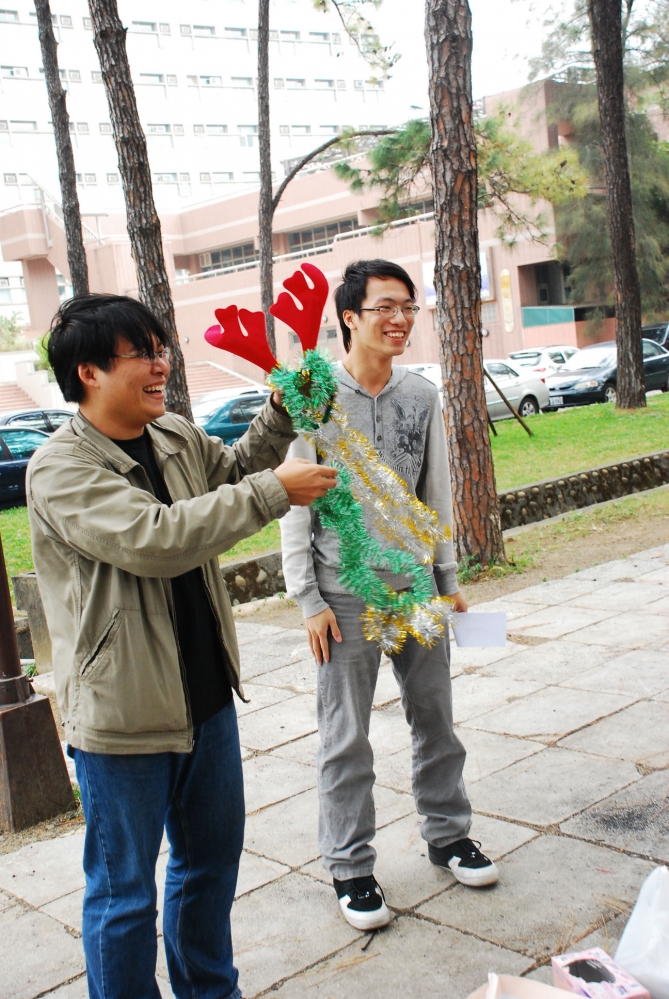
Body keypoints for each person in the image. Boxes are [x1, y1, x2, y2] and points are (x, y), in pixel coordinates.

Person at [26, 294, 337, 999]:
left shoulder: (170, 433)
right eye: (142, 352)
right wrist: (274, 492)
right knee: (124, 896)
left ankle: (209, 991)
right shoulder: (59, 468)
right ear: (88, 372)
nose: (161, 364)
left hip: (205, 698)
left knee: (208, 869)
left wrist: (280, 411)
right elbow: (156, 539)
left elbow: (229, 472)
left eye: (161, 348)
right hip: (123, 716)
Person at [280, 259, 499, 932]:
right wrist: (307, 598)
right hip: (343, 595)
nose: (400, 319)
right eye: (385, 307)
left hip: (415, 588)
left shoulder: (421, 394)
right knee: (345, 737)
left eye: (407, 306)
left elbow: (436, 489)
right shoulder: (314, 397)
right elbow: (292, 500)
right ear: (350, 317)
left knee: (436, 719)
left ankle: (449, 835)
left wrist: (447, 579)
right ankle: (350, 867)